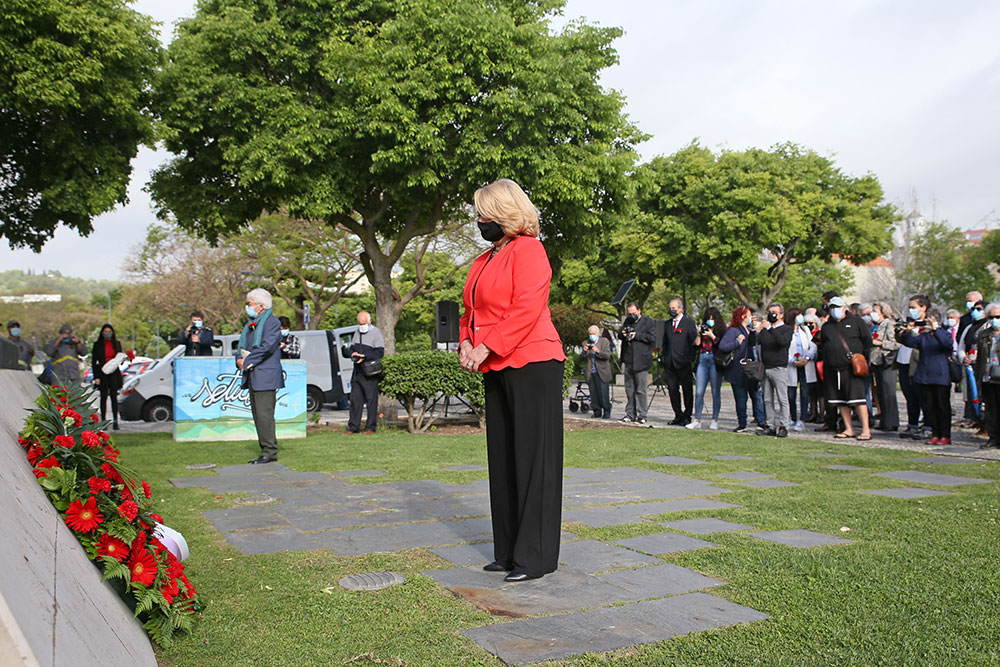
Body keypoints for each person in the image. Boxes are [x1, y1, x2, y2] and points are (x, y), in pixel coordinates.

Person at [458, 178, 565, 582]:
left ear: (505, 212)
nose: (479, 220)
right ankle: (507, 552)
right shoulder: (483, 260)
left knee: (534, 461)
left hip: (533, 361)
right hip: (495, 363)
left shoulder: (530, 250)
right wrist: (468, 344)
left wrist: (487, 346)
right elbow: (469, 311)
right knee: (503, 460)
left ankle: (534, 558)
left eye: (484, 213)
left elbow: (526, 308)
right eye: (478, 214)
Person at [236, 288, 283, 464]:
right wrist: (239, 359)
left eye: (249, 304)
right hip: (253, 375)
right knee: (258, 415)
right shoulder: (251, 324)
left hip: (265, 376)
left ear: (260, 306)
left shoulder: (272, 323)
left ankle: (269, 451)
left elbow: (267, 347)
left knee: (264, 415)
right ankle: (265, 449)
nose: (247, 307)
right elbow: (242, 347)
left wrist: (247, 362)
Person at [897, 298, 953, 445]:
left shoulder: (944, 333)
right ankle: (935, 433)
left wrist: (937, 329)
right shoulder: (924, 336)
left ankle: (945, 435)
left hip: (940, 376)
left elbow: (947, 344)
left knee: (942, 407)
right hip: (924, 375)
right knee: (930, 407)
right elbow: (910, 343)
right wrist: (908, 331)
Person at [817, 296, 873, 440]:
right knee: (841, 401)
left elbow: (867, 341)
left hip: (851, 367)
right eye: (832, 307)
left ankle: (866, 430)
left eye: (837, 307)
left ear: (844, 307)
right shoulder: (827, 326)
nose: (834, 310)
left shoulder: (857, 322)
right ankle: (849, 428)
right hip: (833, 368)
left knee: (858, 399)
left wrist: (861, 357)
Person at [718, 306, 766, 433]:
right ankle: (742, 423)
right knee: (741, 399)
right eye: (749, 315)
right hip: (738, 370)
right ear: (743, 316)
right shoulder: (734, 331)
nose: (752, 318)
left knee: (757, 396)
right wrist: (737, 342)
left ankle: (761, 421)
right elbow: (723, 346)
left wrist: (756, 330)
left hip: (751, 369)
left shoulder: (750, 330)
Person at [756, 303, 794, 437]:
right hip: (766, 367)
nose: (772, 314)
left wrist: (771, 329)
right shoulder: (766, 330)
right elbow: (754, 341)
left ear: (781, 314)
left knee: (782, 398)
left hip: (779, 367)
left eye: (775, 312)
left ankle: (784, 425)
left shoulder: (786, 329)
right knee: (767, 399)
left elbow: (782, 342)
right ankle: (770, 425)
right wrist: (758, 330)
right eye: (770, 312)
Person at [661, 298, 698, 426]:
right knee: (672, 390)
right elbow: (664, 343)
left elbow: (694, 343)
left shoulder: (688, 323)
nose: (672, 310)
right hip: (670, 363)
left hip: (683, 362)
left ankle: (687, 415)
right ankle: (678, 414)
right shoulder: (667, 324)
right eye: (670, 308)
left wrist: (690, 359)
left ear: (680, 308)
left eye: (674, 308)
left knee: (687, 390)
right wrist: (664, 357)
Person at [346, 311, 384, 434]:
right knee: (355, 400)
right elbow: (352, 346)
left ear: (369, 322)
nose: (361, 325)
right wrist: (352, 353)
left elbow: (379, 353)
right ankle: (353, 427)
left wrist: (365, 356)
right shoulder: (357, 332)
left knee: (371, 400)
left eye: (363, 323)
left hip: (369, 371)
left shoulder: (376, 333)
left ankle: (370, 427)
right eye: (360, 323)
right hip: (357, 371)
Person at [688, 306, 725, 430]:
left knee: (715, 391)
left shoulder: (721, 329)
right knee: (699, 392)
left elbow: (722, 344)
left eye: (712, 318)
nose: (710, 320)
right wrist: (699, 333)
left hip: (715, 359)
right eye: (708, 318)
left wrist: (712, 335)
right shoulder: (703, 328)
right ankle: (697, 419)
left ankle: (715, 419)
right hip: (703, 358)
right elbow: (697, 344)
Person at [618, 302, 655, 425]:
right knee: (630, 389)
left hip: (641, 360)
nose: (632, 315)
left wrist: (637, 335)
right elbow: (620, 334)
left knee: (641, 389)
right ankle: (630, 414)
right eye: (630, 313)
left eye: (634, 313)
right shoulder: (628, 321)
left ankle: (642, 414)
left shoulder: (648, 322)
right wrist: (623, 334)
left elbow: (652, 337)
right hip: (629, 360)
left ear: (639, 310)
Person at [869, 302, 900, 431]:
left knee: (889, 392)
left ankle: (891, 422)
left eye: (876, 311)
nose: (873, 313)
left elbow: (896, 344)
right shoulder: (874, 325)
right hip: (876, 361)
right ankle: (884, 420)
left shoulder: (889, 324)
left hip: (887, 361)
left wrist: (879, 343)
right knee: (881, 392)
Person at [785, 308, 817, 432]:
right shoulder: (787, 331)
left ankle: (802, 419)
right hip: (792, 365)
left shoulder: (805, 330)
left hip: (805, 363)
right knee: (791, 394)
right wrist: (793, 361)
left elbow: (812, 345)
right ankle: (792, 418)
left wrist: (808, 357)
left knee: (805, 392)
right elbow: (785, 349)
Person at [974, 302, 1000, 449]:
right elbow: (980, 358)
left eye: (998, 317)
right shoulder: (984, 334)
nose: (995, 320)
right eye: (992, 317)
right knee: (991, 409)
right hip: (987, 376)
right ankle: (993, 437)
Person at [959, 300, 988, 429]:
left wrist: (975, 358)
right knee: (971, 393)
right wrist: (963, 357)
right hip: (969, 365)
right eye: (974, 309)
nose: (975, 312)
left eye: (979, 309)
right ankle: (973, 418)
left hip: (983, 366)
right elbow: (961, 345)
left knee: (982, 395)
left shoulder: (988, 327)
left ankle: (985, 422)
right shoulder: (969, 327)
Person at [91, 324, 123, 430]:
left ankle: (115, 420)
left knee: (114, 397)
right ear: (102, 333)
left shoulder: (117, 344)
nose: (107, 333)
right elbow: (94, 362)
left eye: (109, 331)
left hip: (114, 373)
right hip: (102, 372)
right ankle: (103, 420)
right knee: (103, 396)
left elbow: (119, 358)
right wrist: (96, 377)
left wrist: (122, 360)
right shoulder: (98, 345)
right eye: (105, 331)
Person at [581, 325, 612, 419]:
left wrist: (598, 351)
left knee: (603, 393)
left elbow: (607, 356)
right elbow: (581, 358)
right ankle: (596, 411)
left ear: (598, 333)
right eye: (590, 334)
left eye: (594, 334)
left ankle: (606, 411)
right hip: (591, 372)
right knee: (593, 394)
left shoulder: (604, 342)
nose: (592, 336)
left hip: (602, 371)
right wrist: (584, 351)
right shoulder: (585, 342)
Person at [803, 312, 825, 423]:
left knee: (820, 391)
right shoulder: (803, 335)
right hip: (808, 366)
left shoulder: (819, 334)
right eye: (806, 323)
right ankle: (813, 412)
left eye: (811, 323)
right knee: (811, 391)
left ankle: (821, 413)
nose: (809, 325)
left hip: (818, 365)